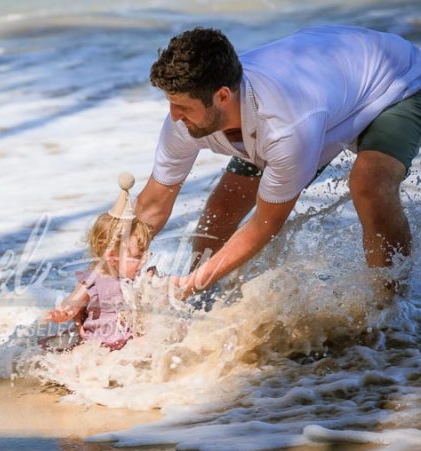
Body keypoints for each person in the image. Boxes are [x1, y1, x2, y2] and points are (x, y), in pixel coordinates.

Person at [134, 25, 421, 298]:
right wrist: (108, 271)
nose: (173, 116)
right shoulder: (191, 116)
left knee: (370, 184)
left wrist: (191, 285)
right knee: (224, 205)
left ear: (222, 96)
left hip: (397, 80)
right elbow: (153, 205)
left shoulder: (284, 128)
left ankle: (389, 311)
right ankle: (198, 301)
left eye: (183, 107)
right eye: (170, 103)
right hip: (332, 82)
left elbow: (264, 224)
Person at [46, 174, 154, 351]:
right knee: (76, 358)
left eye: (144, 254)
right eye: (136, 257)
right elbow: (73, 301)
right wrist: (64, 312)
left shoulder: (141, 277)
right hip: (97, 343)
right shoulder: (95, 278)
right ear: (112, 257)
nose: (143, 261)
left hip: (128, 343)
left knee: (145, 345)